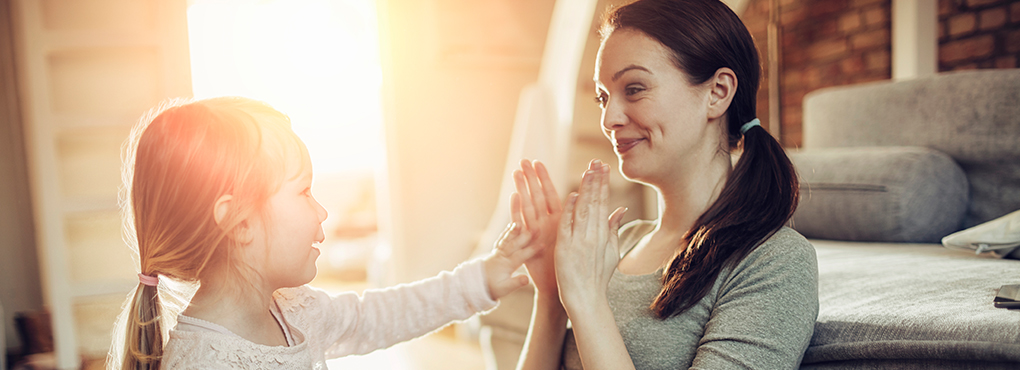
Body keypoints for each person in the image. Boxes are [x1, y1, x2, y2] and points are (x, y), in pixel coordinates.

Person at [108, 97, 540, 370]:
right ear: (239, 222)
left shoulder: (293, 311)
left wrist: (482, 278)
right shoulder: (201, 363)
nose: (322, 210)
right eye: (304, 191)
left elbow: (381, 315)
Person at [508, 0, 818, 369]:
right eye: (603, 97)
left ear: (718, 92)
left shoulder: (773, 261)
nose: (608, 118)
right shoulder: (616, 244)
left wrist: (588, 300)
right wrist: (551, 296)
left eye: (634, 88)